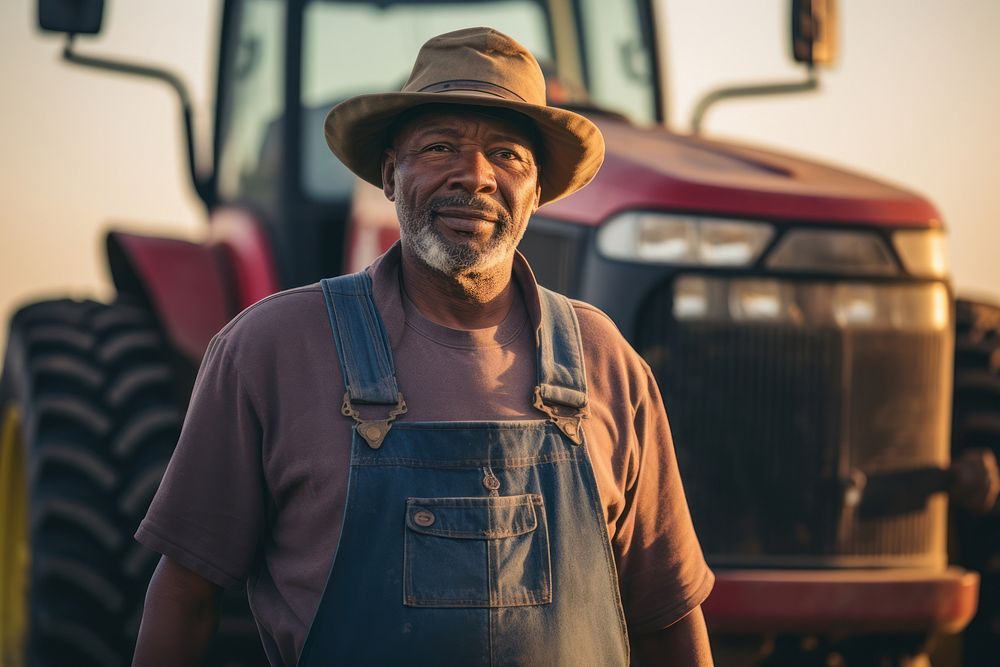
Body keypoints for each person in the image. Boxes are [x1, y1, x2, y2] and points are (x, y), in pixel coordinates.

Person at [133, 27, 714, 666]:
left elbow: (666, 618)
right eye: (439, 147)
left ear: (538, 190)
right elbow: (185, 597)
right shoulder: (270, 350)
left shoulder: (605, 360)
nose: (475, 177)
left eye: (508, 155)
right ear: (389, 174)